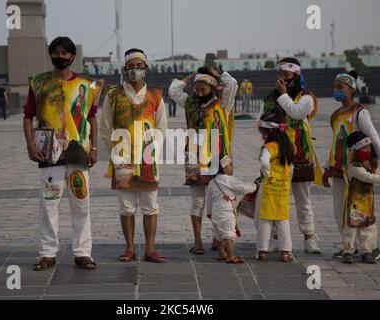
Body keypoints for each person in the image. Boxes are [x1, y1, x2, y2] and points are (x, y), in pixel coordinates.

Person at [23, 36, 102, 271]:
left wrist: (95, 148)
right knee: (49, 204)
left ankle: (82, 252)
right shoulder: (38, 83)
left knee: (81, 203)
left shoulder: (89, 86)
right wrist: (30, 145)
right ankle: (47, 253)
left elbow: (91, 118)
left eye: (64, 53)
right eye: (56, 52)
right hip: (49, 155)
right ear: (51, 55)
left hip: (79, 154)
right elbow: (28, 116)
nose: (60, 57)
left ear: (72, 56)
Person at [100, 48, 168, 263]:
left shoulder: (155, 96)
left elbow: (162, 127)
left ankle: (150, 249)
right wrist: (115, 150)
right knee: (126, 206)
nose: (135, 70)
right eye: (131, 66)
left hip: (148, 158)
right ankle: (129, 248)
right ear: (125, 69)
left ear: (146, 69)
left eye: (139, 66)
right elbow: (104, 127)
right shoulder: (113, 94)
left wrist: (151, 150)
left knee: (150, 206)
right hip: (122, 159)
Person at [169, 67, 238, 255]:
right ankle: (198, 240)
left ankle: (219, 239)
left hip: (218, 156)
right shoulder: (190, 103)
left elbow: (232, 84)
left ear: (212, 87)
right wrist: (187, 79)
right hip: (194, 156)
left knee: (219, 199)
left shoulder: (223, 103)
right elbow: (173, 92)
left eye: (203, 89)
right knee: (198, 201)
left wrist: (217, 74)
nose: (199, 93)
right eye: (196, 89)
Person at [322, 70, 380, 260]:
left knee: (362, 208)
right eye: (334, 87)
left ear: (352, 90)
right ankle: (348, 247)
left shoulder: (360, 112)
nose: (336, 91)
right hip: (338, 168)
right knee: (340, 210)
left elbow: (374, 138)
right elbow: (336, 142)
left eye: (340, 88)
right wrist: (327, 168)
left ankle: (368, 248)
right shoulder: (335, 116)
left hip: (360, 168)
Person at [261, 57, 322, 254]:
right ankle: (275, 237)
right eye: (279, 75)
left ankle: (309, 237)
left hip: (301, 156)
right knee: (276, 197)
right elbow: (262, 120)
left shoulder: (307, 97)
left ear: (296, 75)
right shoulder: (271, 97)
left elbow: (296, 113)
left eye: (286, 75)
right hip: (278, 155)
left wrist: (283, 95)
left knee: (303, 200)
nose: (282, 79)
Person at [341, 132, 380, 264]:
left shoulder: (370, 164)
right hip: (354, 203)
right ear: (355, 150)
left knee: (367, 225)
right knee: (351, 226)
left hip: (367, 202)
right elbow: (366, 176)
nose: (368, 150)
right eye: (364, 148)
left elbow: (375, 173)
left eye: (369, 147)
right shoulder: (353, 166)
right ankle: (348, 250)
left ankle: (366, 250)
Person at [255, 112, 295, 262]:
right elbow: (291, 168)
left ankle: (262, 251)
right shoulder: (288, 147)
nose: (262, 135)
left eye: (263, 132)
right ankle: (286, 251)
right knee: (282, 220)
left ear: (270, 131)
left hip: (269, 188)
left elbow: (264, 162)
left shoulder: (269, 146)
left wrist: (267, 173)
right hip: (283, 189)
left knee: (265, 219)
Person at [205, 156, 257, 263]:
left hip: (215, 211)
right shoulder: (230, 180)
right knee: (228, 233)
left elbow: (209, 199)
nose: (232, 167)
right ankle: (231, 255)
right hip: (226, 211)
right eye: (230, 165)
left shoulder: (212, 182)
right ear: (224, 168)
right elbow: (244, 188)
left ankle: (221, 253)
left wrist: (209, 212)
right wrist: (254, 186)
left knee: (218, 233)